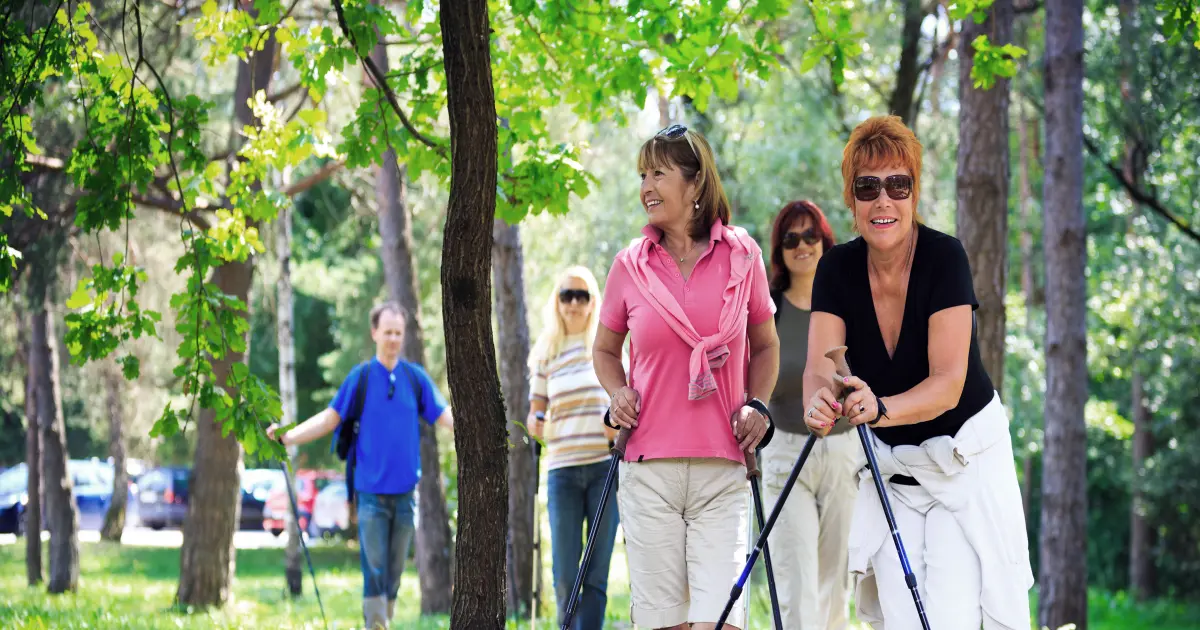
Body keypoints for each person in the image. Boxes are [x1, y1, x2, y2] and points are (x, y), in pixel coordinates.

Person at [802, 114, 1033, 629]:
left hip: (962, 460)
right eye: (868, 187)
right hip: (894, 471)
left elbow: (948, 384)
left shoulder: (945, 257)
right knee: (903, 618)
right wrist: (820, 401)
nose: (883, 200)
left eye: (897, 184)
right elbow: (820, 371)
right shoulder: (836, 269)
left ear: (914, 193)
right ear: (851, 197)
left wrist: (880, 409)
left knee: (951, 613)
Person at [592, 123, 780, 630]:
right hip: (648, 468)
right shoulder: (629, 265)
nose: (645, 187)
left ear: (695, 183)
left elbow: (765, 345)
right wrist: (618, 391)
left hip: (723, 466)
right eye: (641, 175)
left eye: (658, 173)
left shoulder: (743, 256)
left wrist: (757, 404)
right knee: (663, 625)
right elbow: (606, 349)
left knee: (719, 622)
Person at [267, 301, 454, 630]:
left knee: (394, 573)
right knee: (375, 568)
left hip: (405, 494)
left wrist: (487, 429)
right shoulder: (362, 378)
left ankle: (383, 621)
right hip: (370, 494)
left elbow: (444, 416)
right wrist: (289, 437)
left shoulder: (414, 378)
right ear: (374, 333)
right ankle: (376, 626)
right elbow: (330, 417)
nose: (393, 339)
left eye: (398, 332)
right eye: (388, 332)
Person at [762, 200, 863, 630]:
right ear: (780, 250)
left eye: (810, 235)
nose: (802, 245)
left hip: (843, 452)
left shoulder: (851, 304)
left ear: (825, 239)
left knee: (835, 581)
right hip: (785, 453)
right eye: (790, 238)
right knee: (795, 579)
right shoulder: (767, 309)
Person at [527, 265, 621, 630]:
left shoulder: (604, 347)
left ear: (593, 301)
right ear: (557, 301)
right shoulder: (546, 352)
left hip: (604, 469)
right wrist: (535, 420)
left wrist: (615, 427)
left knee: (596, 575)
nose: (574, 303)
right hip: (562, 471)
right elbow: (536, 408)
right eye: (567, 295)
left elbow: (624, 401)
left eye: (582, 296)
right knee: (566, 574)